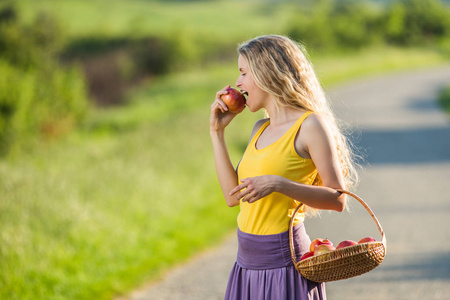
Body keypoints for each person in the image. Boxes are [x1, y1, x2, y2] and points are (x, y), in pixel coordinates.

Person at [209, 35, 358, 300]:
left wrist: (279, 184)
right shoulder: (260, 128)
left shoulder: (310, 126)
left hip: (286, 265)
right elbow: (233, 197)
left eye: (243, 72)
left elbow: (338, 199)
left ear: (267, 72)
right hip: (246, 265)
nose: (238, 83)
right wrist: (217, 132)